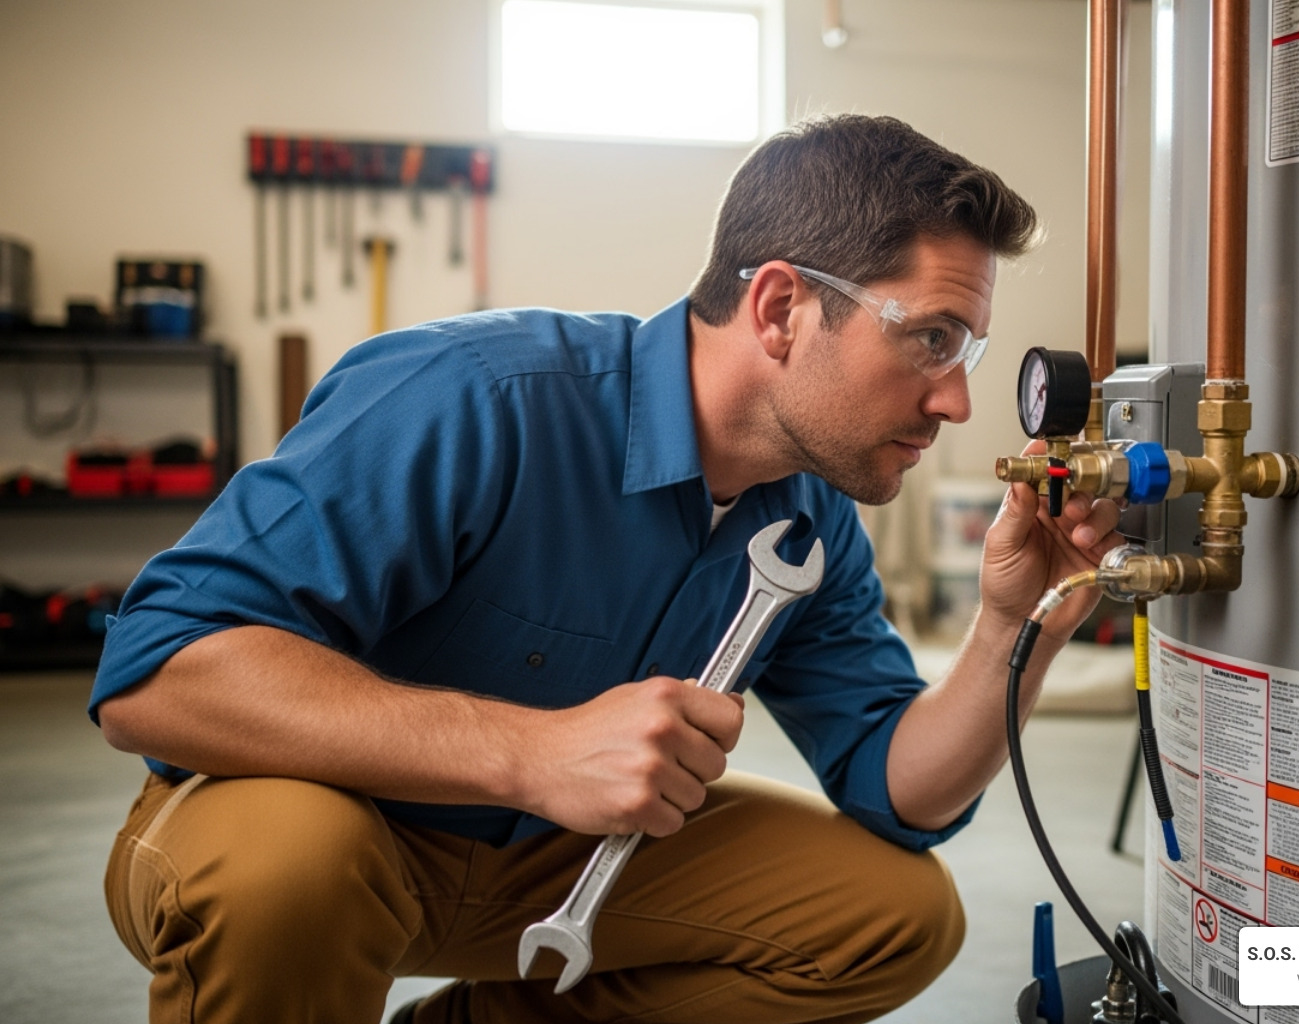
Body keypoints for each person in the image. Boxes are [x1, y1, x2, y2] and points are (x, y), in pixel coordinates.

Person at [91, 113, 1123, 1024]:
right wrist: (531, 753)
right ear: (779, 310)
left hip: (552, 868)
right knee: (288, 867)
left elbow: (903, 793)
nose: (954, 403)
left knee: (893, 915)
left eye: (970, 353)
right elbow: (155, 674)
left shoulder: (810, 519)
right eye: (930, 339)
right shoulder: (475, 399)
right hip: (316, 828)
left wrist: (1013, 628)